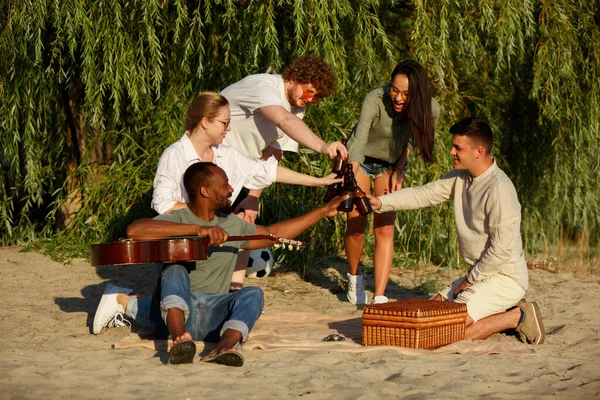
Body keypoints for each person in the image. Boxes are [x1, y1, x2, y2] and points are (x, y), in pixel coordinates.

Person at [93, 162, 347, 365]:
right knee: (175, 269)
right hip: (174, 315)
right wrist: (199, 230)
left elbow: (271, 232)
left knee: (253, 293)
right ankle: (178, 337)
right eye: (225, 183)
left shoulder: (232, 223)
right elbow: (135, 229)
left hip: (214, 313)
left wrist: (323, 211)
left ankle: (227, 344)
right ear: (205, 191)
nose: (230, 189)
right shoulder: (178, 218)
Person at [368, 117, 545, 344]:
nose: (451, 151)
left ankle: (517, 315)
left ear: (478, 152)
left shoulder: (500, 188)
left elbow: (501, 250)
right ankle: (494, 308)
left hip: (505, 277)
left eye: (457, 148)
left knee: (445, 332)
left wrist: (470, 281)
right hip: (482, 274)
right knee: (430, 311)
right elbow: (424, 194)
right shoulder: (462, 177)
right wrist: (381, 203)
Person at [152, 92, 341, 290]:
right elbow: (164, 206)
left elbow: (266, 171)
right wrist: (210, 218)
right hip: (183, 246)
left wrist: (318, 181)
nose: (229, 128)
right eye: (224, 123)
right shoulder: (174, 155)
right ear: (205, 122)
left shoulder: (226, 154)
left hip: (217, 245)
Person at [344, 60, 441, 305]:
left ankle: (379, 296)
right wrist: (351, 175)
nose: (397, 98)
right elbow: (358, 140)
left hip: (390, 165)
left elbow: (412, 141)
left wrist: (399, 169)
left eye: (406, 94)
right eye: (394, 90)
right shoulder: (375, 99)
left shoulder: (431, 109)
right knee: (356, 222)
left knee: (384, 228)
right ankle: (354, 277)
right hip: (361, 159)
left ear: (417, 94)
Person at [220, 55, 348, 224]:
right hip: (210, 164)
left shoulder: (297, 110)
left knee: (244, 237)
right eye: (309, 91)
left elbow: (274, 151)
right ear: (294, 78)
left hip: (240, 172)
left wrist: (253, 196)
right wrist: (323, 146)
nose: (310, 99)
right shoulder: (265, 87)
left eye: (317, 98)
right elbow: (283, 119)